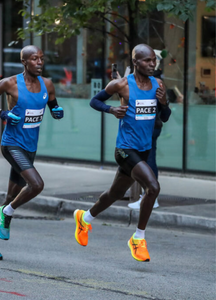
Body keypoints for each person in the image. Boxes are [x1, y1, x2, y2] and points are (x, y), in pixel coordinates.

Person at [73, 44, 170, 262]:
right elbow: (94, 101)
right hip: (125, 149)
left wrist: (163, 103)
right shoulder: (122, 85)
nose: (152, 64)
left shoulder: (158, 85)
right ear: (135, 63)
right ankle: (138, 238)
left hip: (143, 150)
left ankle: (84, 218)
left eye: (154, 60)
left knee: (114, 194)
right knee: (153, 187)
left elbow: (165, 117)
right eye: (147, 60)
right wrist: (112, 110)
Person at [0, 45, 64, 260]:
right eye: (34, 59)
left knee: (11, 196)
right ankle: (6, 213)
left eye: (42, 59)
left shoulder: (48, 85)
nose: (40, 62)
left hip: (30, 147)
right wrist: (2, 113)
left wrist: (57, 112)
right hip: (12, 144)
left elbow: (53, 107)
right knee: (36, 185)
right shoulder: (10, 83)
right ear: (24, 62)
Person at [128, 69, 172, 210]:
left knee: (148, 161)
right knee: (143, 161)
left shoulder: (155, 84)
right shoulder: (144, 83)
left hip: (150, 128)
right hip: (143, 129)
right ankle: (149, 196)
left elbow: (165, 114)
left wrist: (163, 102)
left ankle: (150, 197)